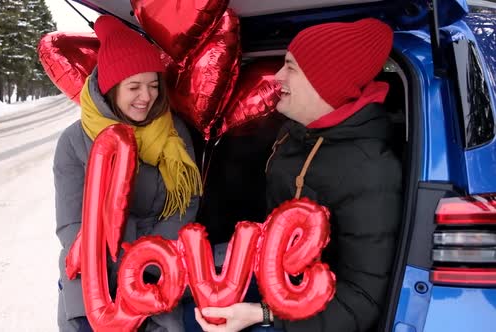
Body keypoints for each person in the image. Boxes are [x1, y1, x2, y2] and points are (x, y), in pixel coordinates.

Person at [194, 18, 402, 332]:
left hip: (308, 317)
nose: (277, 76)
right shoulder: (295, 131)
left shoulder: (370, 171)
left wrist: (261, 315)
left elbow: (361, 301)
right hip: (268, 279)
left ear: (325, 81)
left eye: (290, 66)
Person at [54, 15, 202, 332]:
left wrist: (145, 256)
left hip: (154, 264)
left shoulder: (174, 132)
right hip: (93, 271)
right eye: (134, 87)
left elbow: (186, 202)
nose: (146, 97)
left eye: (152, 86)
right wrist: (110, 262)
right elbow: (70, 222)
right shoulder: (74, 141)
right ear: (110, 89)